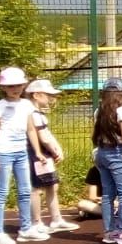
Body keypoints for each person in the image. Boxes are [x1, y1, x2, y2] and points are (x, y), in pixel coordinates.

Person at [0, 66, 49, 244]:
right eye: (11, 86)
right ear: (3, 88)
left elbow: (31, 129)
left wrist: (37, 152)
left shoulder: (27, 105)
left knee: (25, 190)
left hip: (21, 152)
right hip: (4, 152)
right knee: (2, 193)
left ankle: (26, 229)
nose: (15, 89)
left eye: (19, 85)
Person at [24, 78, 79, 233]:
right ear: (36, 95)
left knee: (52, 185)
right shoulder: (32, 113)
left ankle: (56, 219)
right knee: (36, 188)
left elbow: (46, 134)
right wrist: (56, 150)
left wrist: (56, 149)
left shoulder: (38, 113)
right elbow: (43, 137)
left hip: (44, 154)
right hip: (36, 154)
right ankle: (36, 223)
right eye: (48, 95)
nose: (51, 98)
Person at [92, 77, 122, 244]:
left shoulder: (99, 111)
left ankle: (110, 232)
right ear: (121, 94)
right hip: (116, 153)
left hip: (102, 153)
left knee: (108, 194)